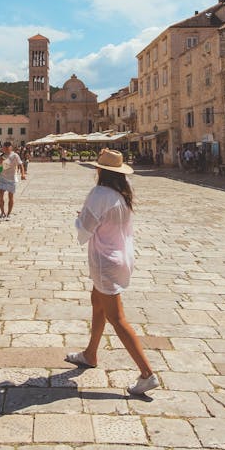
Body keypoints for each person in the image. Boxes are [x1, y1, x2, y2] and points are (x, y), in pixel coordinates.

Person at [66, 149, 158, 396]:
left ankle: (147, 373)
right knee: (97, 301)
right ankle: (90, 353)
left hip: (105, 261)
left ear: (100, 170)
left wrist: (79, 219)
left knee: (116, 318)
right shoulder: (122, 194)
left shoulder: (99, 194)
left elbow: (85, 228)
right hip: (120, 256)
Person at [0, 140, 26, 220]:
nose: (7, 148)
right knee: (0, 197)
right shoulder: (1, 156)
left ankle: (9, 214)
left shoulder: (15, 155)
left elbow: (20, 164)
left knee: (10, 197)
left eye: (8, 146)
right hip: (2, 179)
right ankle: (2, 213)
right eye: (5, 146)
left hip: (12, 179)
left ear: (11, 147)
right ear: (3, 147)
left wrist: (22, 174)